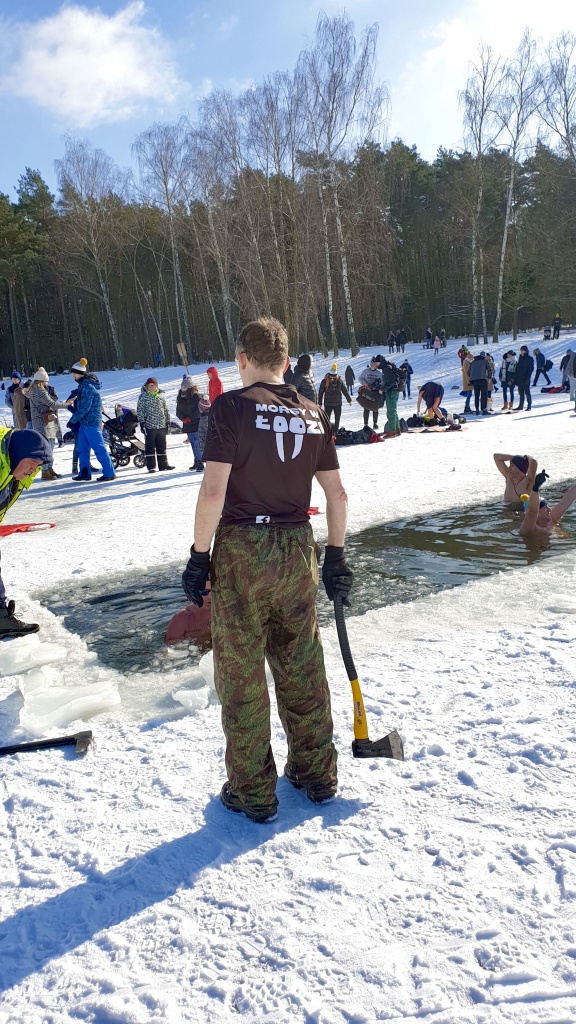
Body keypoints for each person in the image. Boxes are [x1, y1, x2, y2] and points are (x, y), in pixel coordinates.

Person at [181, 316, 352, 823]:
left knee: (241, 672)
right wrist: (337, 555)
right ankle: (316, 773)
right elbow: (337, 494)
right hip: (298, 544)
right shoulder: (313, 413)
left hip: (242, 547)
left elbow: (213, 492)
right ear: (284, 360)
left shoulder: (231, 408)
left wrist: (197, 555)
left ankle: (253, 791)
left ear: (241, 359)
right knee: (301, 661)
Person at [0, 426, 52, 638]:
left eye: (38, 466)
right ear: (19, 454)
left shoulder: (11, 470)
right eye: (32, 464)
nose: (33, 471)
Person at [68, 358, 116, 482]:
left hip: (91, 422)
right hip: (85, 422)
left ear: (80, 373)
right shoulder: (84, 385)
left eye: (74, 373)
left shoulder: (87, 387)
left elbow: (85, 407)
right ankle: (84, 472)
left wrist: (73, 420)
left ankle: (109, 472)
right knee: (82, 449)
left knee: (98, 448)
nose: (73, 376)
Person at [519, 458, 576, 541]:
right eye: (544, 507)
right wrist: (535, 488)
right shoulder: (528, 528)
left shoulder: (551, 521)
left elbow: (568, 498)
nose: (549, 509)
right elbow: (532, 511)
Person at [27, 368, 66, 479]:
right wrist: (67, 404)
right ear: (41, 381)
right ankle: (45, 471)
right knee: (47, 447)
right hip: (42, 423)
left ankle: (49, 468)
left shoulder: (36, 391)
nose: (47, 383)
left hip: (45, 422)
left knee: (51, 445)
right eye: (45, 381)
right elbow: (52, 404)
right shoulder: (39, 392)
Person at [137, 377, 174, 474]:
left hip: (161, 425)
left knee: (161, 445)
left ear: (156, 386)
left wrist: (168, 422)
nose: (151, 388)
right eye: (149, 386)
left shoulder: (161, 396)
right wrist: (142, 423)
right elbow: (140, 410)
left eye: (153, 386)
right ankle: (151, 466)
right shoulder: (143, 397)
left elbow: (165, 409)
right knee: (150, 446)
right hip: (150, 426)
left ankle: (163, 465)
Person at [176, 376, 202, 471]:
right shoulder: (180, 397)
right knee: (192, 443)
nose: (182, 388)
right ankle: (196, 460)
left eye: (184, 387)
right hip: (187, 424)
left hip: (195, 423)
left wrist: (190, 418)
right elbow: (178, 411)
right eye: (182, 387)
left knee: (196, 443)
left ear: (189, 387)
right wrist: (182, 418)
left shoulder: (196, 396)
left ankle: (200, 462)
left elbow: (199, 410)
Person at [318, 364, 352, 433]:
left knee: (337, 419)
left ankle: (336, 432)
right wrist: (320, 403)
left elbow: (344, 390)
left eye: (334, 377)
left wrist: (349, 400)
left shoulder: (339, 381)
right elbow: (320, 392)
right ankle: (327, 432)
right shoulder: (324, 381)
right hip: (328, 404)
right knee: (327, 419)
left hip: (337, 403)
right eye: (331, 377)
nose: (332, 379)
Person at [375, 355, 404, 435]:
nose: (376, 364)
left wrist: (382, 389)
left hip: (391, 392)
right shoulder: (388, 366)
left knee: (390, 412)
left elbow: (391, 381)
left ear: (380, 361)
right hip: (393, 391)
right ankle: (397, 429)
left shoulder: (386, 368)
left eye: (376, 362)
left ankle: (392, 431)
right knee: (393, 410)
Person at [358, 356, 384, 429]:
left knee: (375, 407)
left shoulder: (379, 373)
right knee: (366, 407)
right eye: (372, 363)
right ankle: (365, 424)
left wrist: (378, 385)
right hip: (367, 391)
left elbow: (382, 381)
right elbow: (360, 378)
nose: (374, 365)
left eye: (375, 364)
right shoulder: (366, 371)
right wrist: (365, 384)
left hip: (375, 392)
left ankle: (375, 423)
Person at [514, 346, 534, 411]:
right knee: (521, 393)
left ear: (525, 351)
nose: (521, 352)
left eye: (522, 350)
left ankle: (529, 406)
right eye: (521, 350)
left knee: (527, 392)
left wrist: (527, 378)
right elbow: (518, 369)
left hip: (526, 378)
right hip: (520, 378)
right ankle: (521, 406)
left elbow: (530, 369)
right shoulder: (520, 358)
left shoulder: (529, 358)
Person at [196, 395, 210, 472]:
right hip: (205, 441)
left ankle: (209, 470)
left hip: (206, 442)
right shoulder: (206, 416)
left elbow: (208, 430)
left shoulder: (205, 417)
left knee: (208, 457)